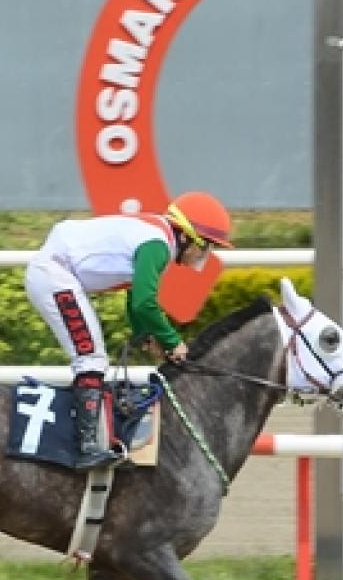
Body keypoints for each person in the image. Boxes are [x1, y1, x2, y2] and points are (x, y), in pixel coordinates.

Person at [24, 190, 234, 470]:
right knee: (91, 359)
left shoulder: (158, 237)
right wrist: (172, 341)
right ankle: (86, 447)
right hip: (55, 274)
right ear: (186, 236)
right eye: (205, 245)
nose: (204, 254)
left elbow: (136, 303)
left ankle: (90, 440)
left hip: (56, 272)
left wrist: (147, 337)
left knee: (92, 358)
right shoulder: (157, 245)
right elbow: (145, 303)